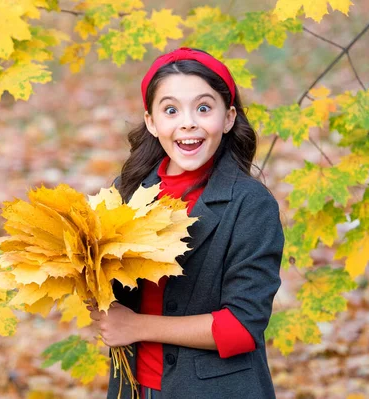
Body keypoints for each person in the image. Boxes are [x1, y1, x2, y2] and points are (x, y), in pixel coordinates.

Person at [87, 47, 285, 399]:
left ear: (228, 118)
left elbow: (241, 327)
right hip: (135, 388)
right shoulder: (127, 193)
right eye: (171, 110)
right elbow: (113, 296)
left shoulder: (250, 204)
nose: (188, 122)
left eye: (204, 108)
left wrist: (135, 326)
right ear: (151, 121)